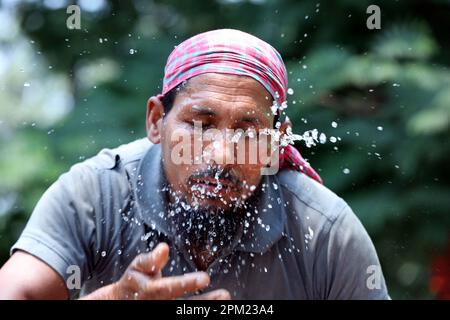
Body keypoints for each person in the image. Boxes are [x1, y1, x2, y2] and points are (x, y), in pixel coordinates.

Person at [0, 29, 389, 300]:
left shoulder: (323, 231)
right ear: (156, 121)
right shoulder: (92, 197)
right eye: (200, 125)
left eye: (247, 131)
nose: (221, 156)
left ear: (276, 142)